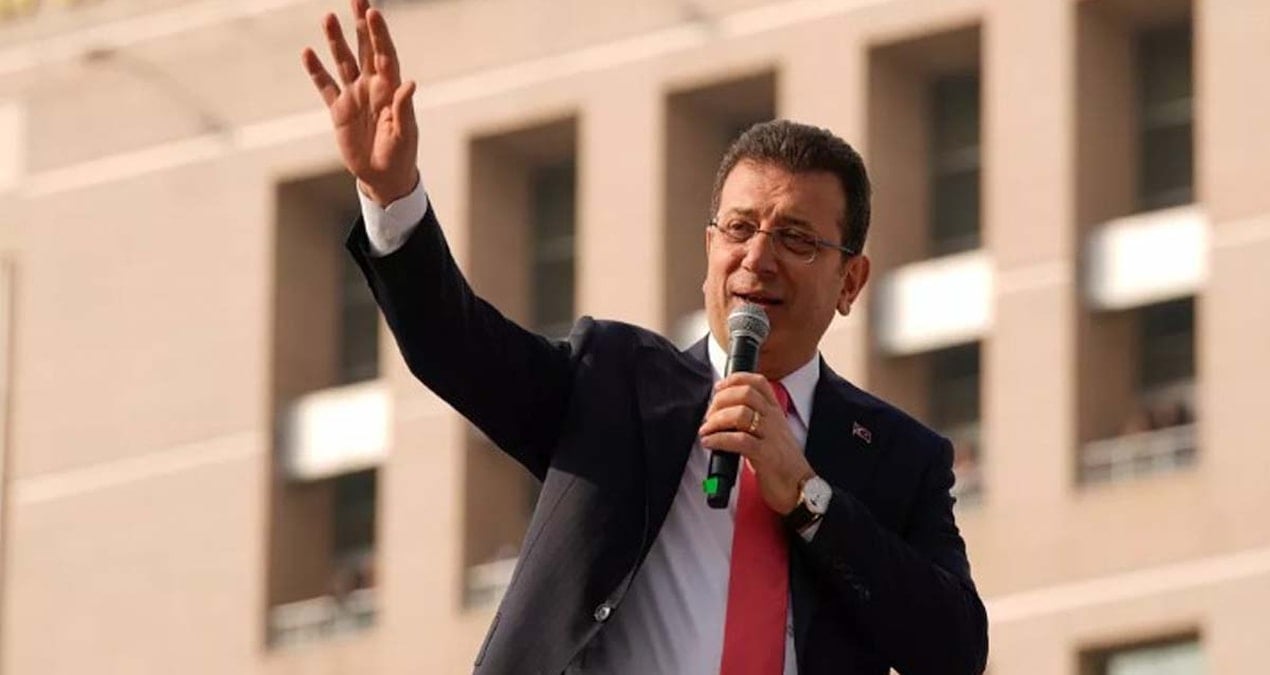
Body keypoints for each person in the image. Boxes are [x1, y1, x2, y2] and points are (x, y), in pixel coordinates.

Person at [301, 2, 988, 673]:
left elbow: (956, 650)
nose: (757, 258)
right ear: (710, 249)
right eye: (740, 229)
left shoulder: (900, 457)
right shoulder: (614, 384)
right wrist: (392, 196)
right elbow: (454, 345)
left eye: (796, 238)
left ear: (850, 281)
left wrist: (810, 498)